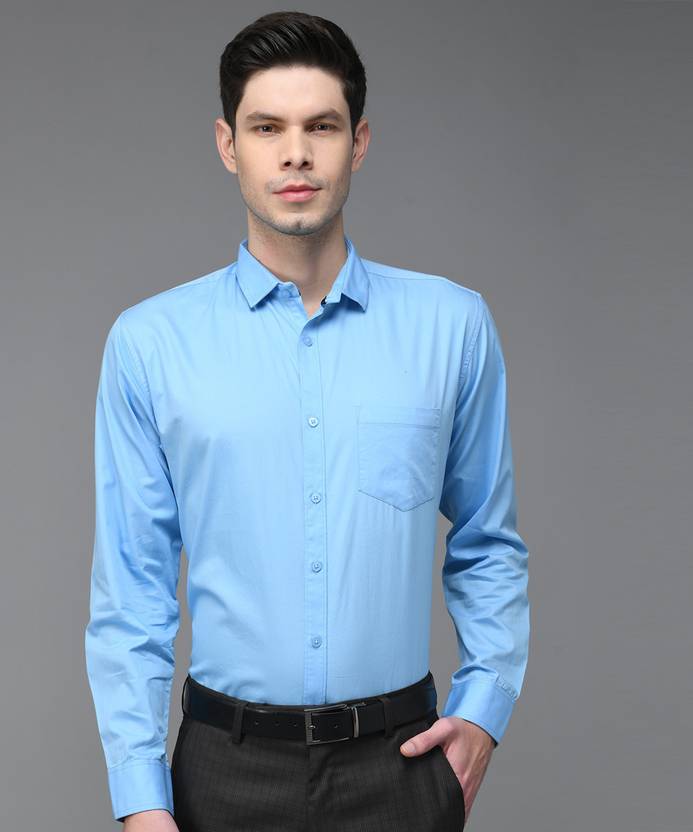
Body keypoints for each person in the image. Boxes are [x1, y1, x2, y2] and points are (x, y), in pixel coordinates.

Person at [84, 10, 530, 831]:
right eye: (267, 128)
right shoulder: (150, 344)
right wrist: (140, 798)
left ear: (358, 142)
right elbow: (132, 592)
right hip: (223, 772)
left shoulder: (451, 326)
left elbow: (487, 544)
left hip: (399, 768)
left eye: (320, 126)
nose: (295, 153)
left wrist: (483, 712)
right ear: (228, 145)